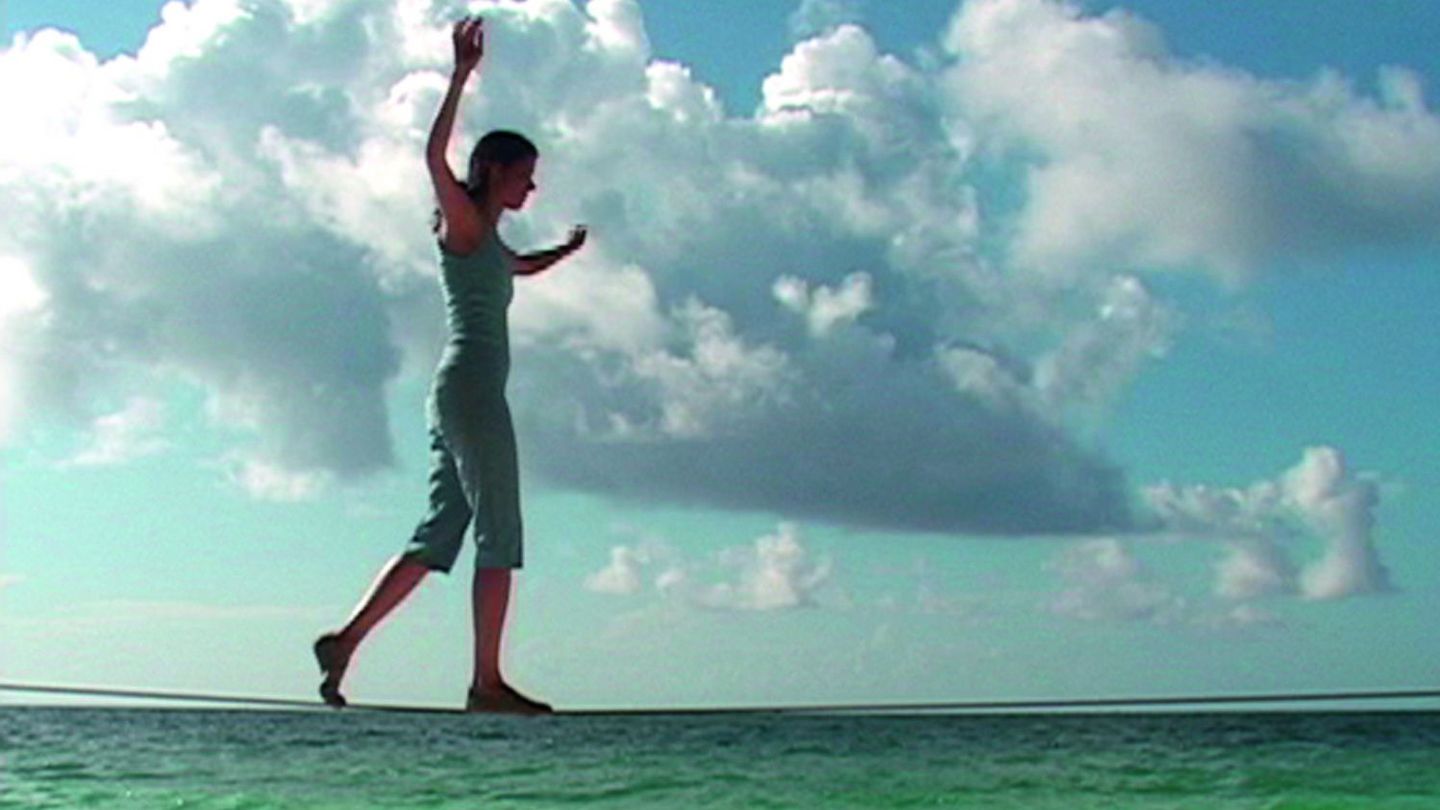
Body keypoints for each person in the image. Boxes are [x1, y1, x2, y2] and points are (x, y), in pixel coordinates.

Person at [313, 16, 586, 714]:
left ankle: (344, 642)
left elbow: (520, 266)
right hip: (470, 394)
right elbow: (434, 159)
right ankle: (486, 683)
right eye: (525, 176)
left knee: (441, 533)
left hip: (457, 396)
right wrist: (461, 76)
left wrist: (564, 251)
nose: (532, 188)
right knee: (501, 527)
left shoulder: (491, 244)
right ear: (495, 170)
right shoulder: (463, 222)